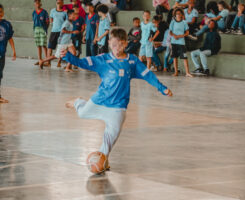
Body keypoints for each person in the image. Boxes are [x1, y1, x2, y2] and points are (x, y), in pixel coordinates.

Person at [61, 28, 173, 170]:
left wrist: (162, 88)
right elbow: (83, 62)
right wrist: (68, 57)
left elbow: (148, 75)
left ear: (125, 44)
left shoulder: (132, 61)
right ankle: (78, 102)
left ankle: (101, 161)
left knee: (110, 137)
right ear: (109, 43)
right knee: (82, 113)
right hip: (100, 101)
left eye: (120, 45)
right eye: (114, 45)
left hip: (118, 107)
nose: (117, 48)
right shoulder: (103, 59)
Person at [169, 8, 193, 77]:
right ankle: (176, 72)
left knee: (184, 57)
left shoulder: (184, 22)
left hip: (181, 42)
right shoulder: (173, 22)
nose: (178, 15)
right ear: (175, 15)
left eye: (180, 14)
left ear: (182, 15)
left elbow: (187, 32)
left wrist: (180, 36)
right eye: (177, 14)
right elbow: (170, 31)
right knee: (175, 57)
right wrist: (174, 35)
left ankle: (187, 72)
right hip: (174, 42)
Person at [47, 0, 68, 66]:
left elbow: (66, 21)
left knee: (61, 48)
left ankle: (59, 62)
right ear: (56, 3)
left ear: (62, 3)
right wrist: (51, 23)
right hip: (53, 32)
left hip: (61, 33)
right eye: (58, 2)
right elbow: (51, 18)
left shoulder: (65, 13)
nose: (59, 3)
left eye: (60, 2)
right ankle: (48, 62)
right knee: (50, 47)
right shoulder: (52, 11)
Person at [32, 0, 50, 66]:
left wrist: (45, 29)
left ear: (40, 3)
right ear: (34, 4)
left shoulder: (44, 12)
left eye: (38, 2)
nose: (37, 4)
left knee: (44, 45)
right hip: (36, 29)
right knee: (38, 45)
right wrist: (34, 29)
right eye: (36, 3)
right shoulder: (34, 12)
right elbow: (34, 21)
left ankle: (47, 61)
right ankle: (40, 60)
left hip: (42, 29)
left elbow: (48, 22)